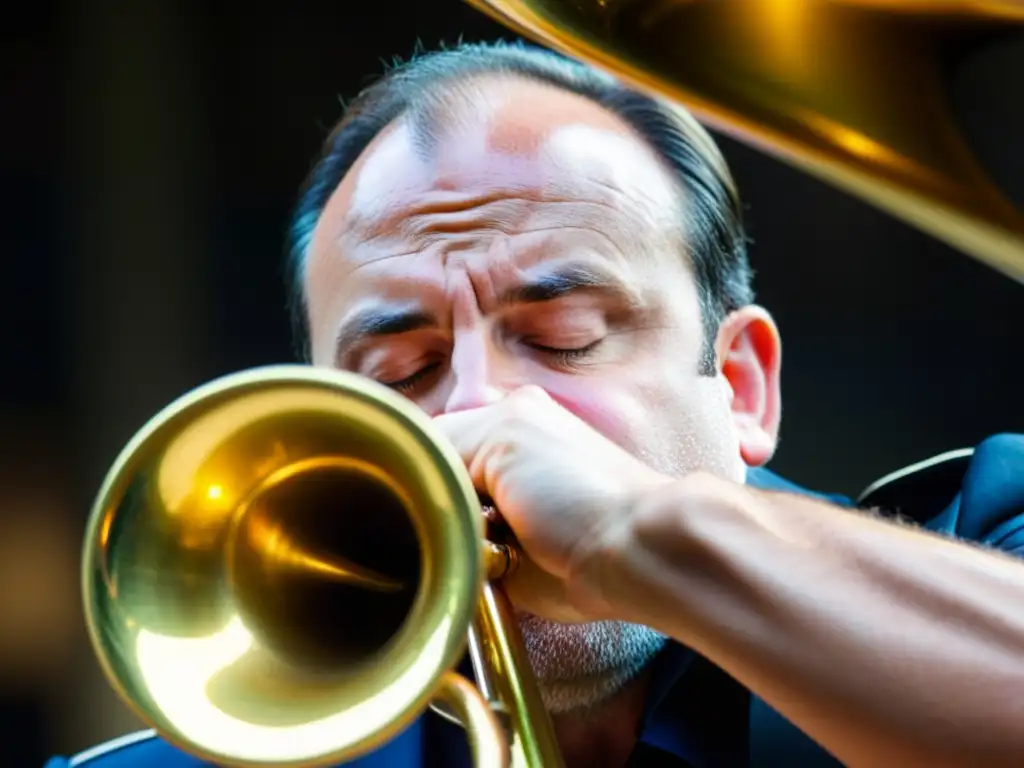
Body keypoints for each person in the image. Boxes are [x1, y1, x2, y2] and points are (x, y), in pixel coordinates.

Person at [50, 41, 1024, 768]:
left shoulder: (986, 530)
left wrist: (632, 531)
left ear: (740, 386)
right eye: (397, 375)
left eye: (566, 339)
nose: (480, 409)